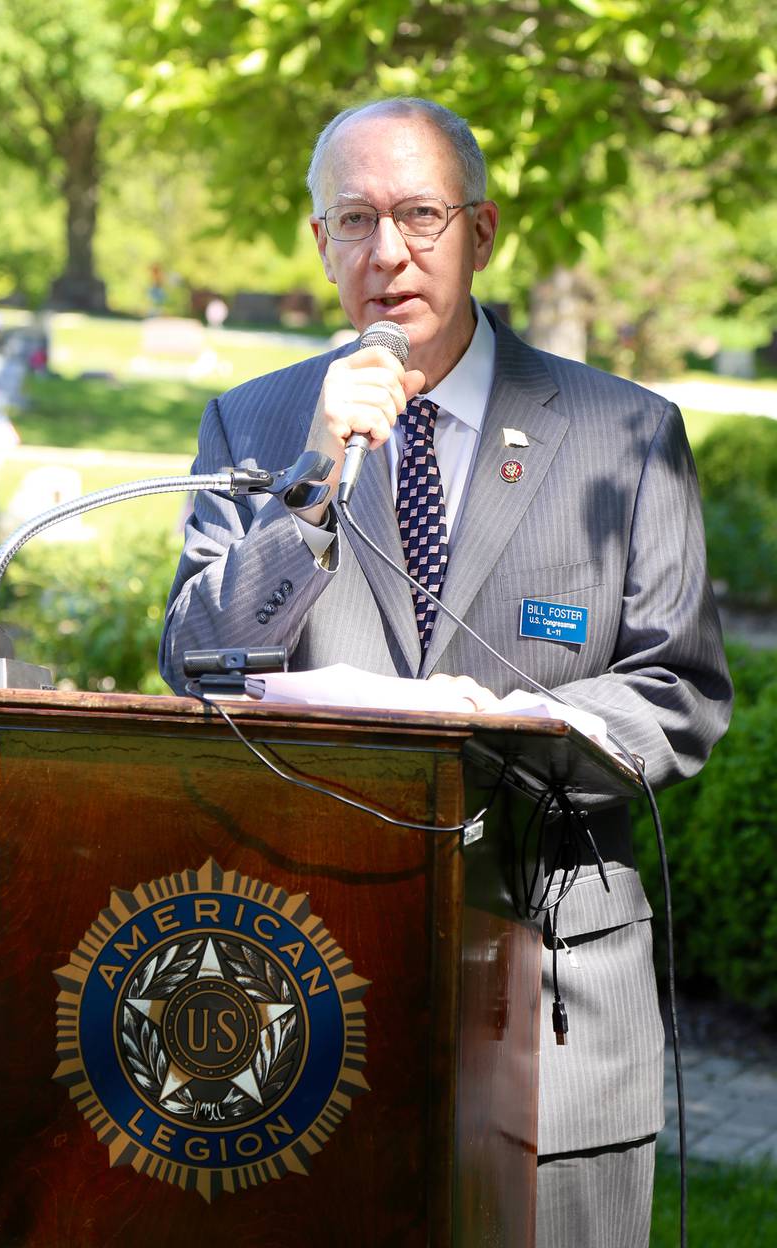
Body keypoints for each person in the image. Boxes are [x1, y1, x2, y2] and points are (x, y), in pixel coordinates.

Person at [160, 98, 732, 1245]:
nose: (387, 253)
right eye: (354, 220)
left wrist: (503, 728)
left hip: (556, 996)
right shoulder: (255, 425)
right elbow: (201, 665)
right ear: (318, 242)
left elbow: (676, 687)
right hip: (313, 1001)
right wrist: (314, 481)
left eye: (419, 215)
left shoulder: (624, 434)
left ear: (482, 228)